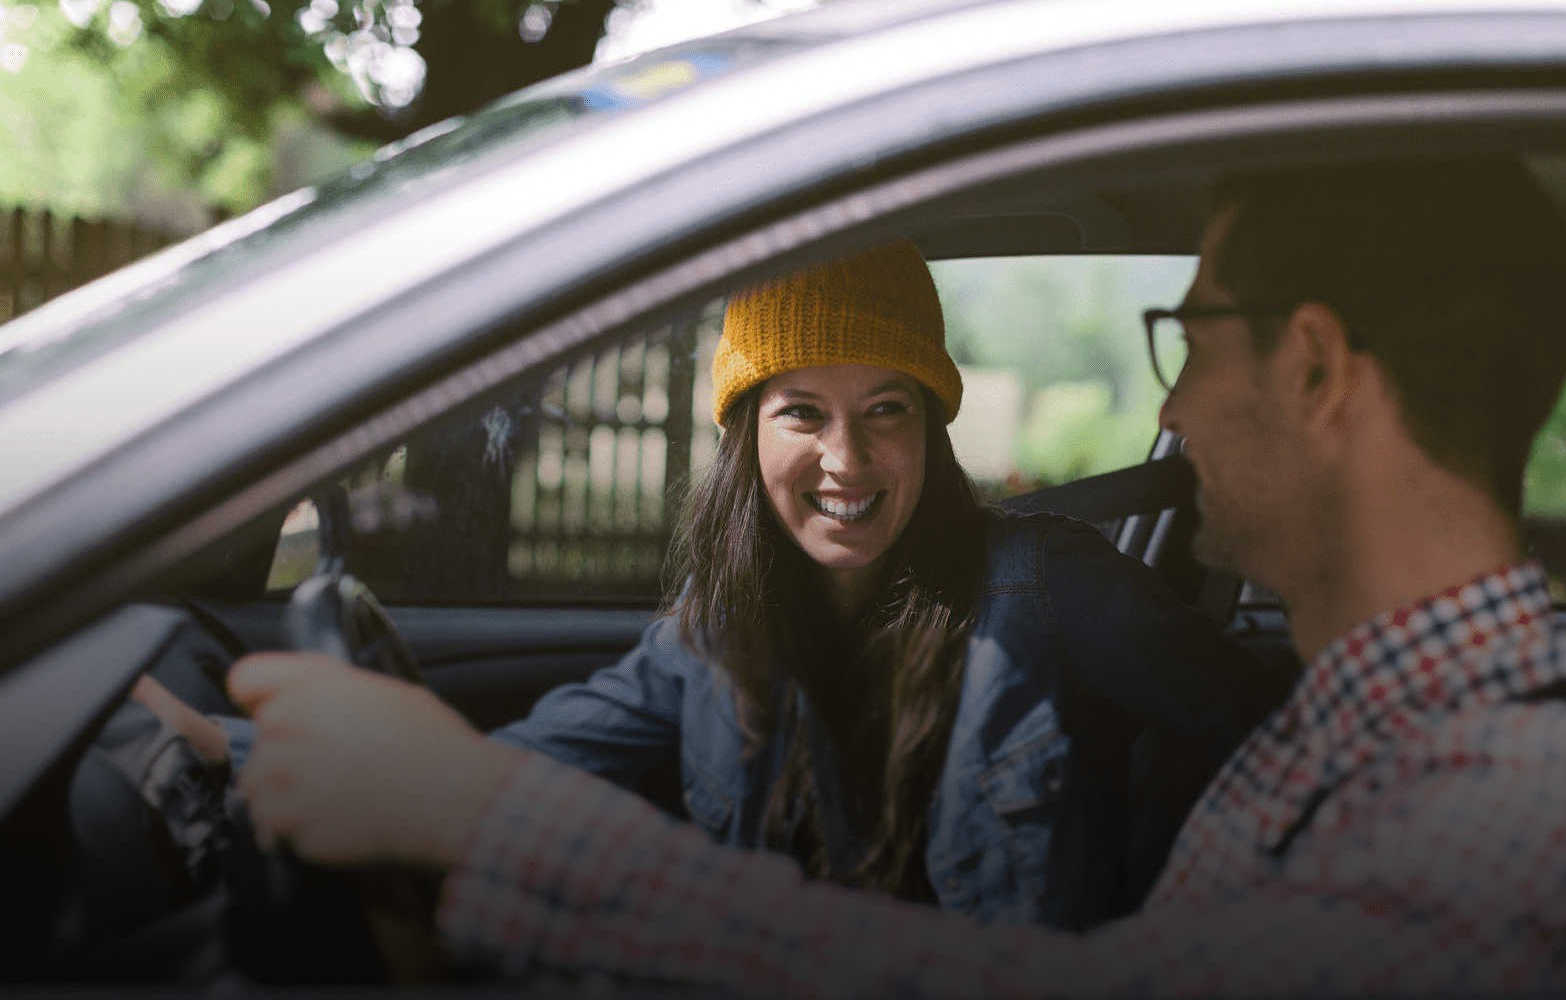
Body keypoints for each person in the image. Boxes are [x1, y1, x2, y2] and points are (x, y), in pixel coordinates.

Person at [229, 160, 1566, 994]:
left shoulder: (1545, 809)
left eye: (1191, 340)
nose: (1174, 410)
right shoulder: (1355, 743)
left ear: (1317, 367)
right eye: (800, 412)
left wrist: (483, 823)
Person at [146, 239, 1266, 932]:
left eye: (888, 409)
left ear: (931, 427)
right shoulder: (708, 638)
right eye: (801, 413)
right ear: (744, 435)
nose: (848, 458)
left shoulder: (1043, 588)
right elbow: (492, 774)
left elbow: (1270, 746)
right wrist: (212, 744)